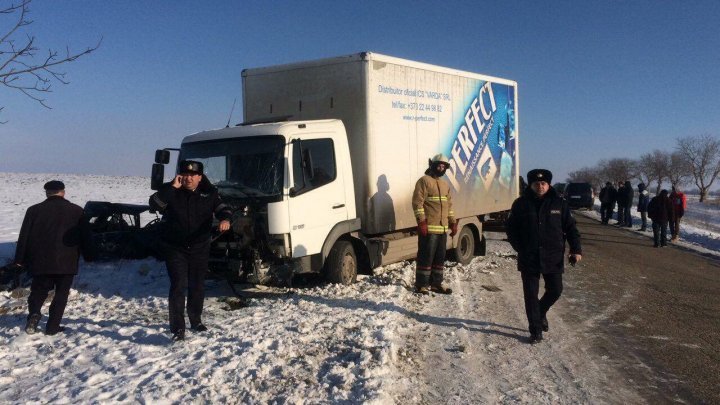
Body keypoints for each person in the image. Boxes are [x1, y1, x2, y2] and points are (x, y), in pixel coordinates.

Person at [149, 160, 232, 341]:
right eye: (185, 175)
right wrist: (171, 188)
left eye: (192, 175)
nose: (188, 178)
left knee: (197, 285)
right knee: (178, 285)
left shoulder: (209, 193)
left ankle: (196, 320)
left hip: (199, 247)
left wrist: (225, 219)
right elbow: (154, 205)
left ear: (199, 177)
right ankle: (178, 328)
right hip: (175, 248)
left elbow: (223, 209)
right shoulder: (171, 191)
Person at [506, 169, 582, 344]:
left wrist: (575, 250)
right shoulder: (520, 204)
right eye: (536, 184)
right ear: (531, 185)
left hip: (553, 256)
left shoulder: (559, 204)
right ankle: (535, 330)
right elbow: (511, 229)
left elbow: (571, 229)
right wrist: (520, 247)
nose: (540, 186)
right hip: (529, 257)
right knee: (531, 294)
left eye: (543, 183)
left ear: (548, 185)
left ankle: (540, 312)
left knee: (555, 290)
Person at [13, 181, 86, 335]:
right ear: (63, 192)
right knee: (61, 294)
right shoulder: (77, 211)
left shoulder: (33, 210)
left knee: (38, 291)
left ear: (47, 193)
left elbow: (24, 236)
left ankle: (34, 312)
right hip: (67, 261)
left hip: (40, 260)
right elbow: (85, 237)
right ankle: (52, 327)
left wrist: (19, 259)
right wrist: (91, 255)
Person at [412, 154, 457, 295]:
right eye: (439, 165)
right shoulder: (424, 181)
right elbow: (417, 203)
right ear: (433, 165)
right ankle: (422, 285)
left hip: (442, 229)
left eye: (444, 166)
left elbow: (449, 206)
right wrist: (421, 222)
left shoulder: (445, 185)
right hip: (429, 228)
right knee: (426, 257)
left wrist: (453, 222)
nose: (441, 168)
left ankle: (436, 284)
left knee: (439, 258)